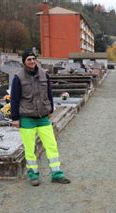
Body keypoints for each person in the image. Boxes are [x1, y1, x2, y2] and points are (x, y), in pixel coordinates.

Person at [10, 49, 71, 186]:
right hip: (27, 118)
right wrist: (15, 118)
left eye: (33, 59)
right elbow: (14, 98)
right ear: (24, 62)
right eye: (28, 59)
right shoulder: (18, 77)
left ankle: (56, 174)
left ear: (36, 59)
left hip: (43, 117)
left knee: (51, 145)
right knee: (30, 149)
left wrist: (50, 108)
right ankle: (33, 175)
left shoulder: (44, 74)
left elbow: (49, 92)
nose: (31, 61)